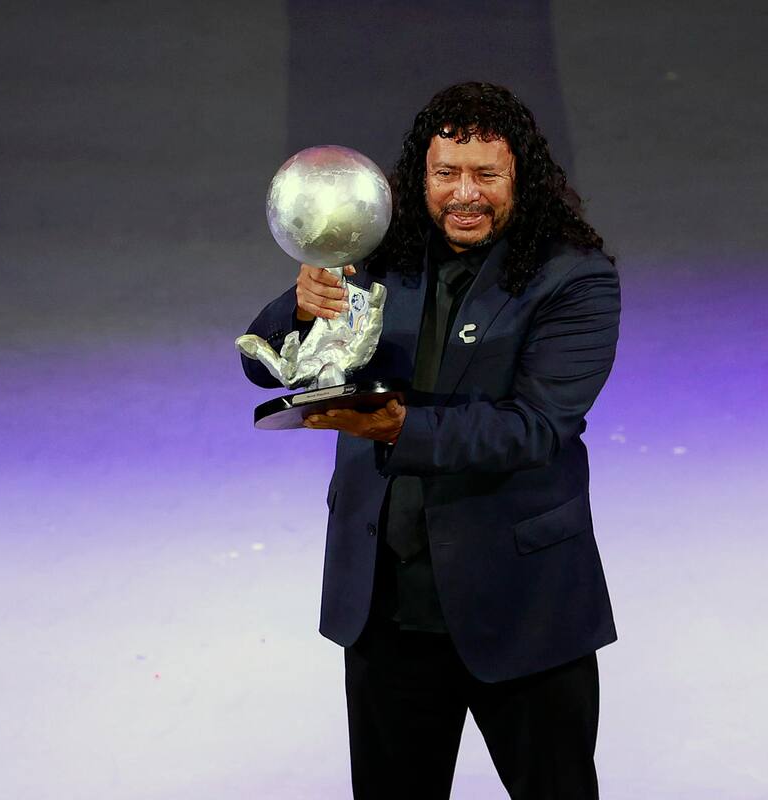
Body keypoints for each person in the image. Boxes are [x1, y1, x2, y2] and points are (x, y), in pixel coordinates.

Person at [240, 82, 621, 799]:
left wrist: (398, 427)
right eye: (447, 174)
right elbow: (261, 365)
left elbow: (535, 426)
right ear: (421, 177)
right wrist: (297, 309)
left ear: (522, 178)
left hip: (521, 606)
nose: (464, 195)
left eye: (486, 175)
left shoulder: (575, 279)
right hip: (386, 605)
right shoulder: (380, 252)